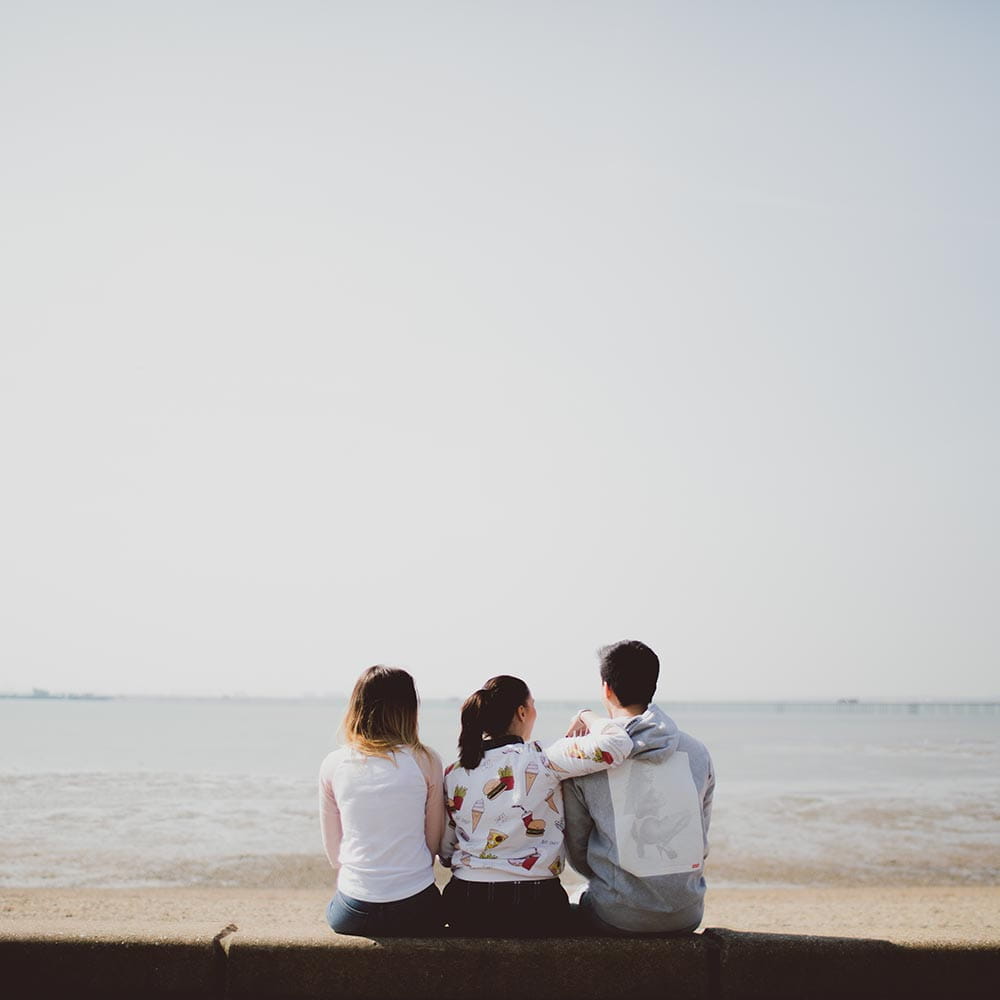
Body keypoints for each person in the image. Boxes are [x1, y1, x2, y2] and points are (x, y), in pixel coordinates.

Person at [440, 674, 633, 936]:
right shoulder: (544, 757)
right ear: (522, 712)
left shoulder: (455, 772)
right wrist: (586, 715)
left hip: (467, 903)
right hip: (535, 903)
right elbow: (618, 744)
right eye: (532, 705)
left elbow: (446, 851)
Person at [563, 640, 715, 936]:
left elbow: (577, 850)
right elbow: (699, 834)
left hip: (618, 916)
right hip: (688, 912)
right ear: (653, 686)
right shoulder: (697, 752)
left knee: (573, 900)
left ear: (606, 688)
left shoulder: (588, 758)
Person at [319, 665, 445, 936]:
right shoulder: (426, 760)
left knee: (334, 909)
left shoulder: (334, 764)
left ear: (357, 707)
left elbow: (333, 853)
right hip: (416, 906)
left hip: (355, 909)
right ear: (410, 710)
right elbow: (432, 843)